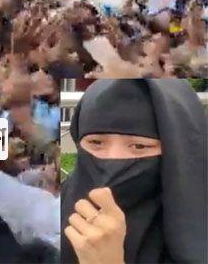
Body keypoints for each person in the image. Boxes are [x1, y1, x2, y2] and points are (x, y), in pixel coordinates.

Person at [61, 79, 207, 264]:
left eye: (139, 146)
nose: (113, 158)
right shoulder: (60, 204)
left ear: (179, 152)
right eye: (96, 142)